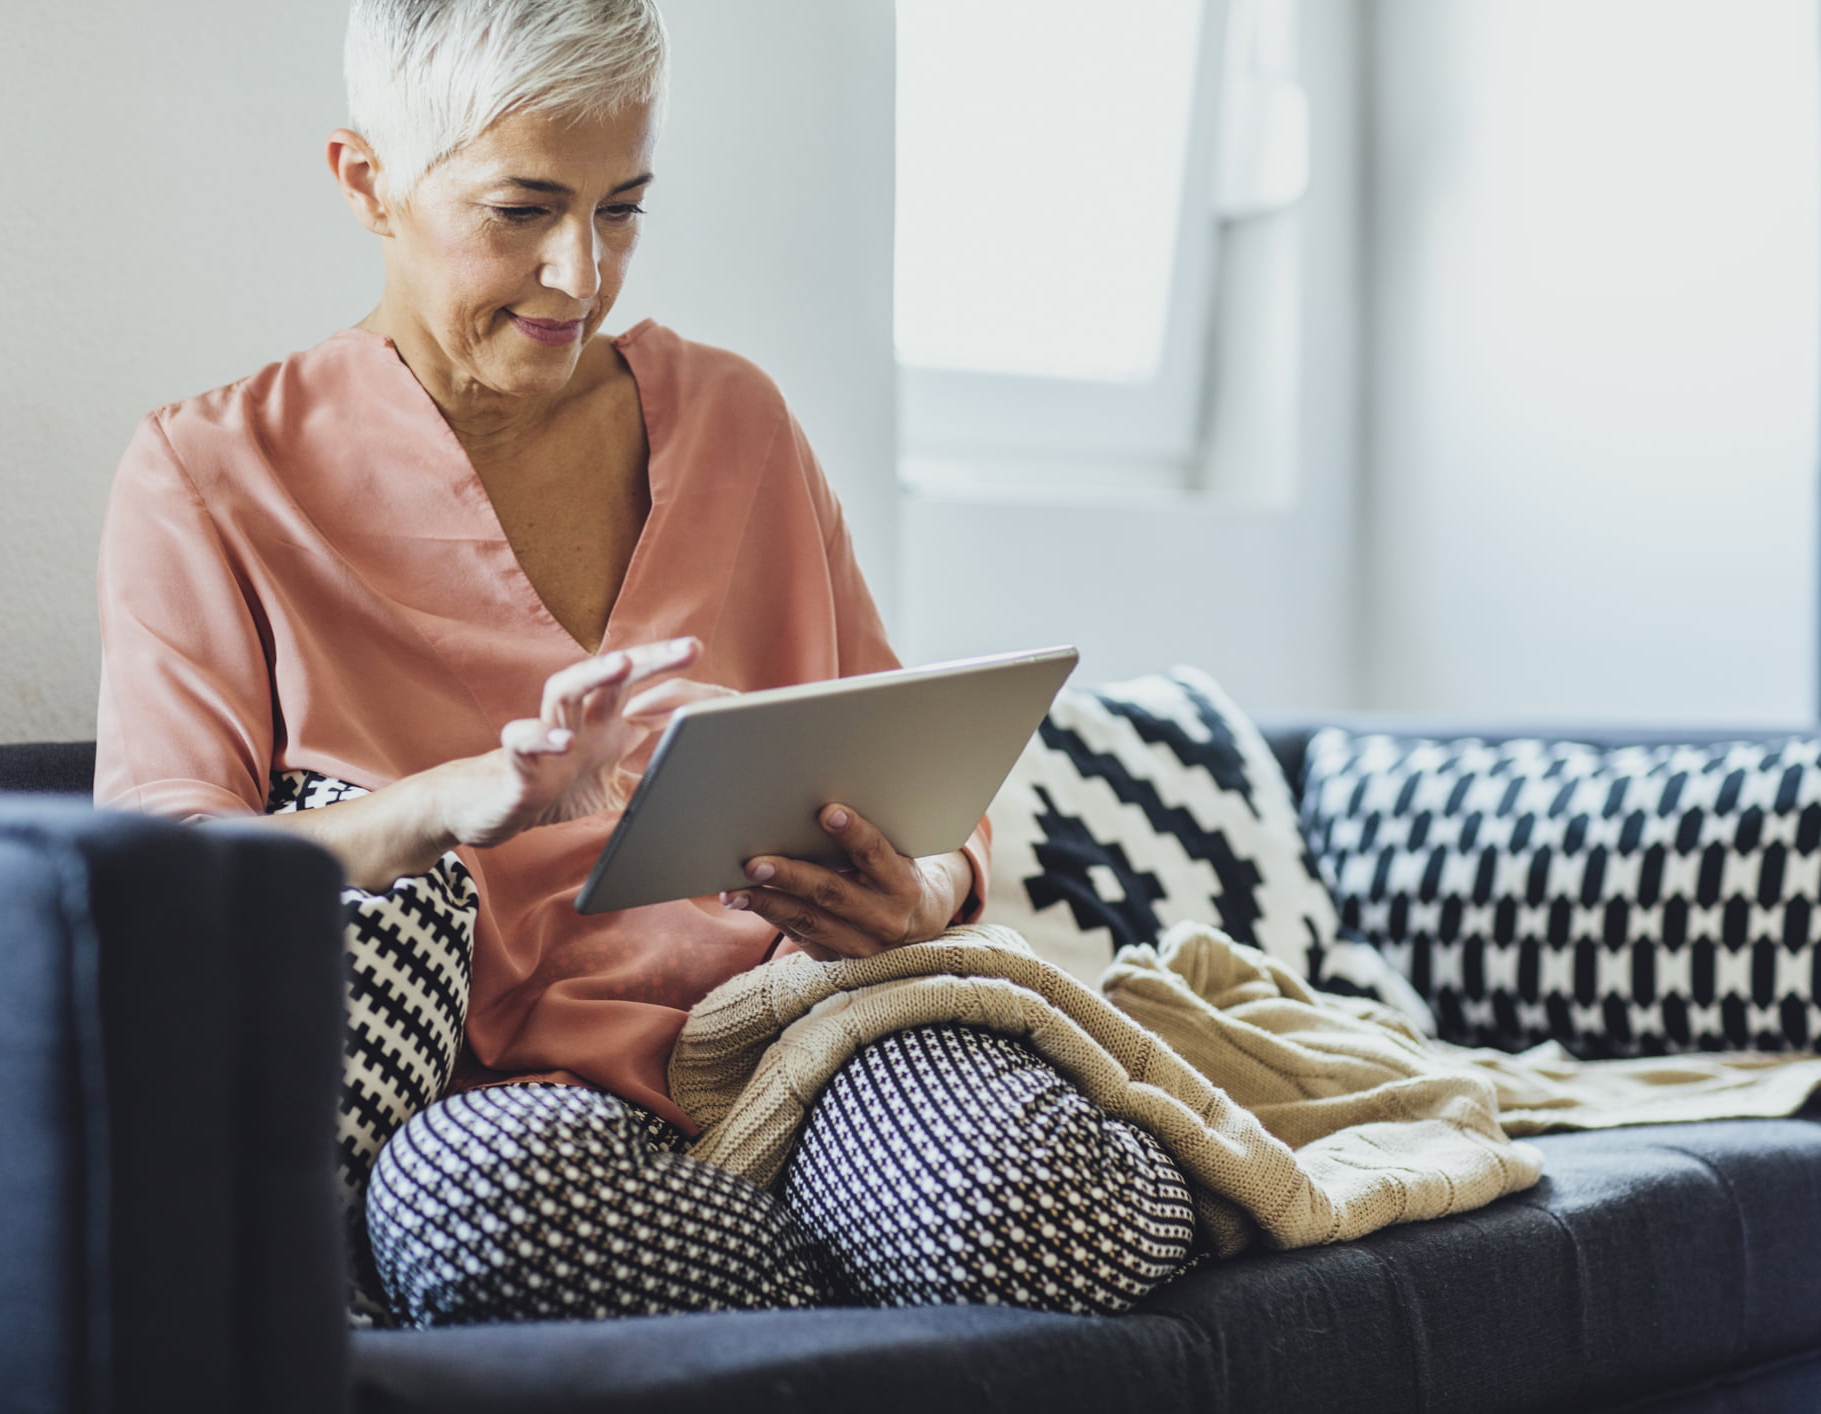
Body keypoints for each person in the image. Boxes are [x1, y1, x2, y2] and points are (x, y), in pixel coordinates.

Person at [94, 0, 1196, 1328]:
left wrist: (925, 888)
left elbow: (921, 785)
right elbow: (153, 872)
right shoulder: (213, 475)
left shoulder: (737, 419)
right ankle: (872, 1279)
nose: (580, 274)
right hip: (541, 1107)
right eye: (522, 210)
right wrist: (452, 801)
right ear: (367, 182)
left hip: (815, 1025)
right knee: (461, 1205)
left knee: (1061, 1218)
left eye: (621, 210)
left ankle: (882, 1251)